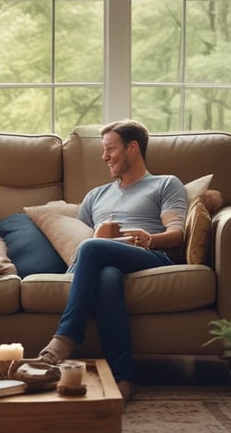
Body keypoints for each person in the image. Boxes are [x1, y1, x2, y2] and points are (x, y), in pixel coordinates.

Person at [36, 119, 188, 403]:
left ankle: (64, 340)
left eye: (110, 149)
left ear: (132, 148)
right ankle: (124, 378)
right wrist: (98, 236)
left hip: (150, 256)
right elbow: (79, 246)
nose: (104, 157)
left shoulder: (165, 184)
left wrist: (149, 238)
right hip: (105, 260)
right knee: (106, 276)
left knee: (93, 248)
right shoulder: (96, 196)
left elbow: (177, 234)